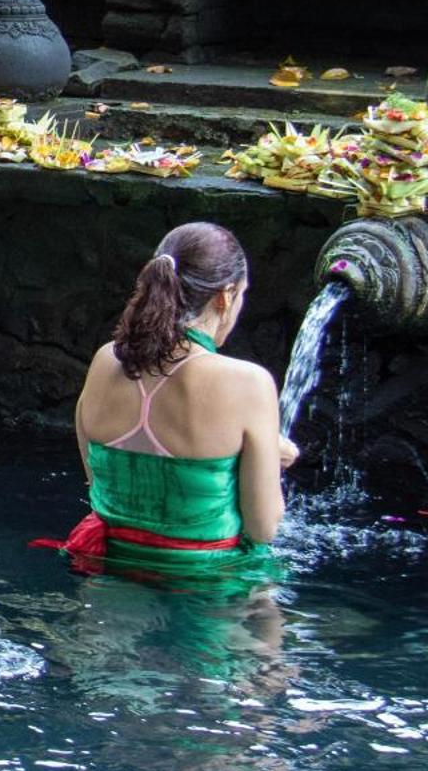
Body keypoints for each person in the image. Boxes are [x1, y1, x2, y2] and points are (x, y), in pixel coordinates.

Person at [51, 222, 294, 581]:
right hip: (207, 591)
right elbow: (263, 528)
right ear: (225, 296)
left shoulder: (105, 362)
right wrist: (272, 459)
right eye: (242, 295)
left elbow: (100, 487)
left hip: (112, 577)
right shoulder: (249, 383)